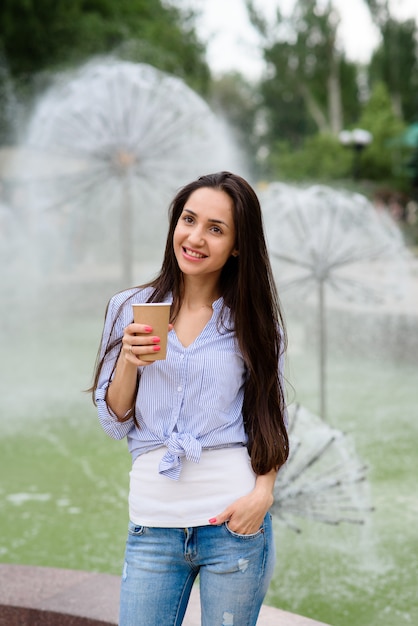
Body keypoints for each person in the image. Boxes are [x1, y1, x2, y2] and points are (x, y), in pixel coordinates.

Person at [91, 171, 289, 626]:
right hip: (152, 525)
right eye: (188, 220)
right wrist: (128, 361)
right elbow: (114, 422)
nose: (195, 237)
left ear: (237, 245)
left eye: (215, 229)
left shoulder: (253, 322)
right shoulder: (131, 307)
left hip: (234, 525)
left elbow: (268, 416)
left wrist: (263, 494)